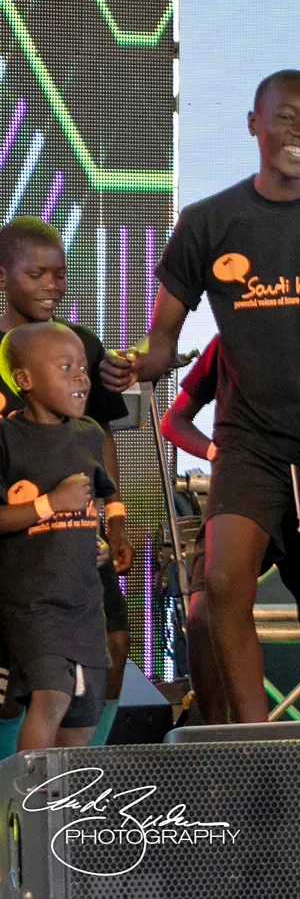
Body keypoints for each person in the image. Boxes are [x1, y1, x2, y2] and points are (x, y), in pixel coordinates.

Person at [102, 71, 300, 722]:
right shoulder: (208, 221)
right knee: (224, 587)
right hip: (250, 442)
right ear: (253, 123)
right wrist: (138, 362)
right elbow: (162, 338)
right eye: (287, 117)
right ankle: (254, 743)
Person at [0, 217, 136, 733]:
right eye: (36, 275)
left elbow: (100, 441)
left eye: (59, 275)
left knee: (111, 647)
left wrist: (114, 525)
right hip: (20, 553)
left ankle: (84, 772)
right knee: (36, 683)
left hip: (74, 548)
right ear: (2, 277)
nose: (51, 286)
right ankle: (25, 778)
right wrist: (42, 506)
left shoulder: (80, 343)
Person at [164, 336, 300, 725]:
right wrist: (216, 453)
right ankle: (217, 737)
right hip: (243, 490)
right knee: (203, 615)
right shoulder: (231, 339)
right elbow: (174, 420)